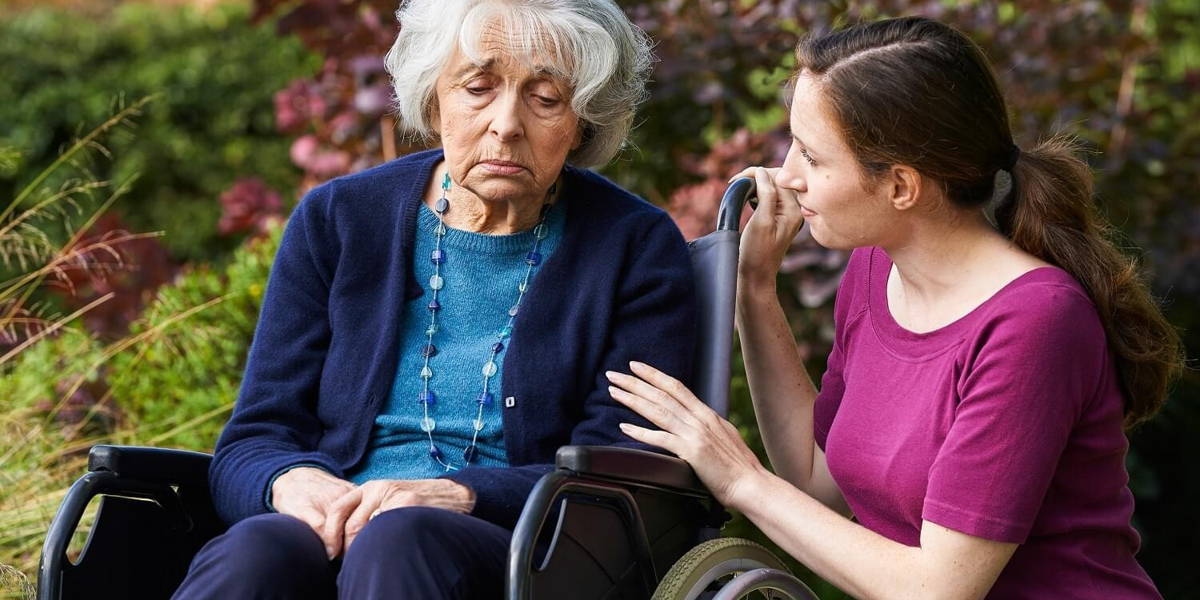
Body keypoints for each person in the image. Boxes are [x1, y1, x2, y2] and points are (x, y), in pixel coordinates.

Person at [607, 16, 1183, 600]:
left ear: (901, 186)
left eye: (812, 156)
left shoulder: (1033, 324)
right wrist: (755, 290)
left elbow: (938, 589)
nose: (788, 176)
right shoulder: (875, 272)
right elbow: (815, 478)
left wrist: (740, 480)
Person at [171, 1, 695, 598]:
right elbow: (256, 436)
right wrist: (291, 481)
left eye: (546, 98)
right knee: (257, 551)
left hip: (522, 553)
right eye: (477, 88)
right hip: (336, 520)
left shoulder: (633, 247)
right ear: (434, 98)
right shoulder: (338, 218)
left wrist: (463, 494)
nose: (506, 124)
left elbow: (622, 463)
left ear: (584, 122)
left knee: (399, 539)